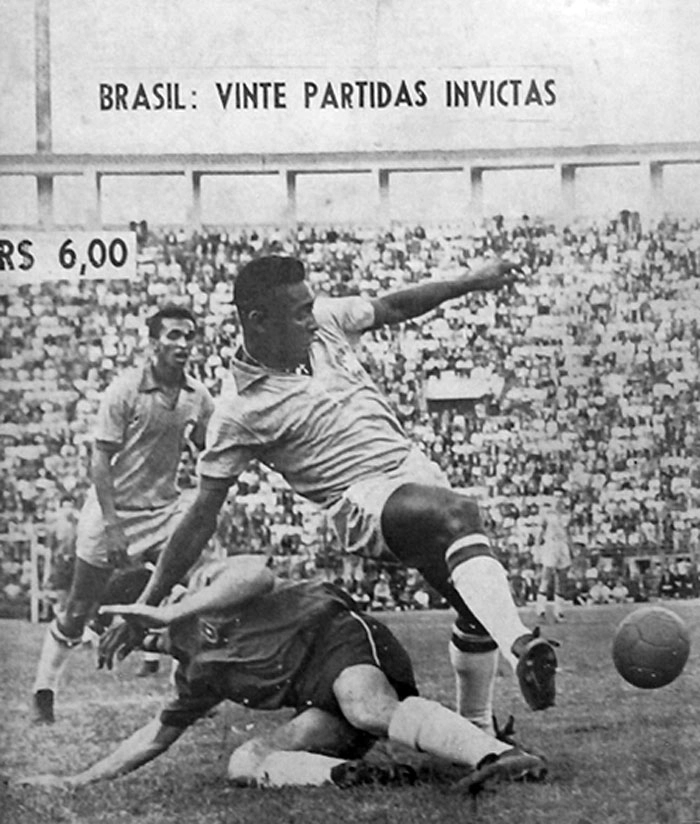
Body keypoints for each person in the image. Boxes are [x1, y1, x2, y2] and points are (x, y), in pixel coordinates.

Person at [100, 256, 558, 733]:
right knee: (462, 512)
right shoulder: (240, 410)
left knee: (476, 604)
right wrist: (151, 602)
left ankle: (479, 733)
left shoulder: (323, 323)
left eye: (309, 306)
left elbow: (394, 305)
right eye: (298, 313)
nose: (310, 319)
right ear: (258, 321)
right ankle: (522, 645)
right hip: (362, 500)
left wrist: (470, 282)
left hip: (415, 475)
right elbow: (200, 516)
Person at [20, 555, 547, 794]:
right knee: (247, 760)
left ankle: (498, 757)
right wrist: (77, 779)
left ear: (156, 604)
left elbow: (258, 573)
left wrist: (168, 613)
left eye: (142, 629)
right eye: (140, 641)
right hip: (317, 697)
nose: (151, 642)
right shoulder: (195, 671)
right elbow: (152, 738)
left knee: (368, 707)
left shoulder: (205, 584)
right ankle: (354, 776)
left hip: (339, 637)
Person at [31, 304, 215, 724]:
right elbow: (100, 461)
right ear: (153, 343)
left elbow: (208, 444)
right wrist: (113, 527)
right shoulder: (125, 390)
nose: (182, 344)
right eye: (172, 335)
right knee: (79, 608)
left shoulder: (197, 395)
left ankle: (188, 687)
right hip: (112, 512)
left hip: (166, 511)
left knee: (203, 587)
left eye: (188, 336)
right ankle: (44, 691)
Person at [534, 491, 572, 623]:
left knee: (562, 579)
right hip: (551, 544)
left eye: (561, 497)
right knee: (546, 577)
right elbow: (540, 532)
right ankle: (541, 610)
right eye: (556, 496)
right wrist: (537, 549)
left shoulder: (567, 514)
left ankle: (559, 612)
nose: (558, 499)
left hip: (563, 545)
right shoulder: (547, 514)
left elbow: (568, 533)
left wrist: (570, 549)